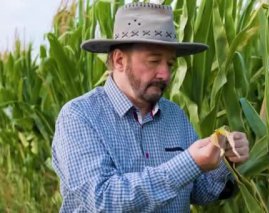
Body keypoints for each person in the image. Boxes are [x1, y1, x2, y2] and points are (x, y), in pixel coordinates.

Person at [52, 2, 249, 212]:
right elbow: (103, 200)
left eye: (170, 64)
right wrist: (189, 163)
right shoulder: (79, 116)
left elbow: (199, 191)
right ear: (119, 60)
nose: (165, 74)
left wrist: (224, 161)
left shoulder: (174, 116)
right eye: (154, 61)